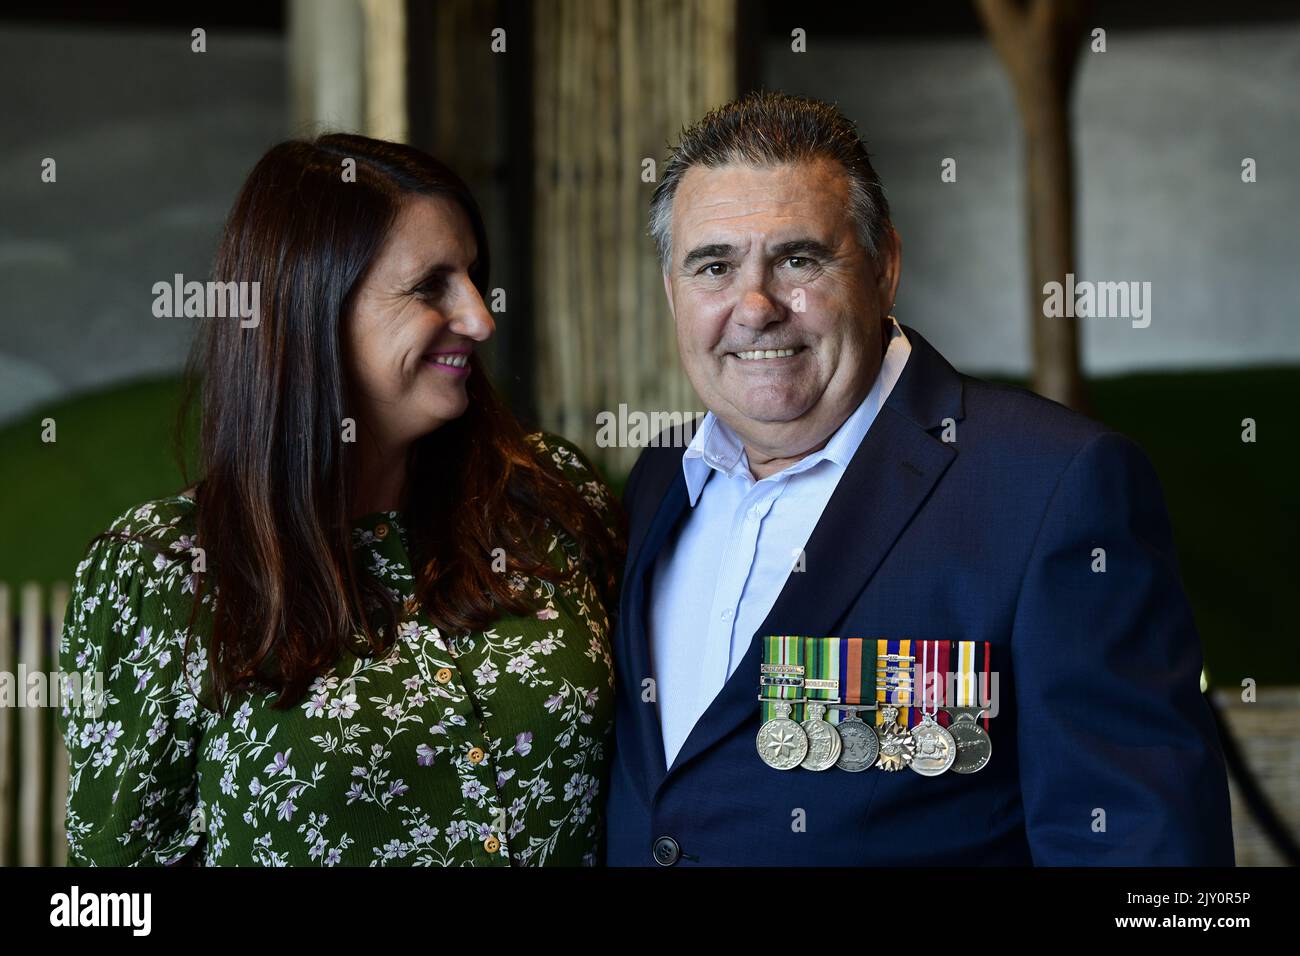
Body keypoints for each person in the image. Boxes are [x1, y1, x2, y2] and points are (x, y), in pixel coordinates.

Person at [604, 91, 1234, 866]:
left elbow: (1149, 861)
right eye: (714, 265)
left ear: (886, 267)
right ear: (673, 292)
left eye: (799, 259)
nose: (757, 306)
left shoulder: (1053, 488)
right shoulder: (657, 480)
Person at [58, 134, 624, 866]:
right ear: (310, 311)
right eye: (431, 287)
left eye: (474, 278)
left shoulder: (549, 497)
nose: (481, 319)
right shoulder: (164, 571)